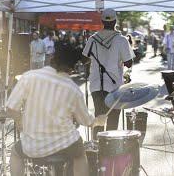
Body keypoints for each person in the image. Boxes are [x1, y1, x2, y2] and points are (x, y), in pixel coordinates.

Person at [7, 42, 107, 176]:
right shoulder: (73, 90)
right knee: (80, 154)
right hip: (65, 145)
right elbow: (87, 122)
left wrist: (20, 123)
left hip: (33, 146)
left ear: (52, 59)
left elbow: (11, 108)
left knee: (15, 153)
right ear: (73, 68)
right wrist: (98, 121)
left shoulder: (30, 77)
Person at [82, 8, 134, 138]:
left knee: (99, 118)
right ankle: (109, 151)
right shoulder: (121, 40)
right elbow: (129, 63)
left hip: (96, 85)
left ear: (102, 21)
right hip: (114, 86)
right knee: (112, 119)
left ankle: (96, 148)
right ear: (115, 21)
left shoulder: (92, 39)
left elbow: (84, 59)